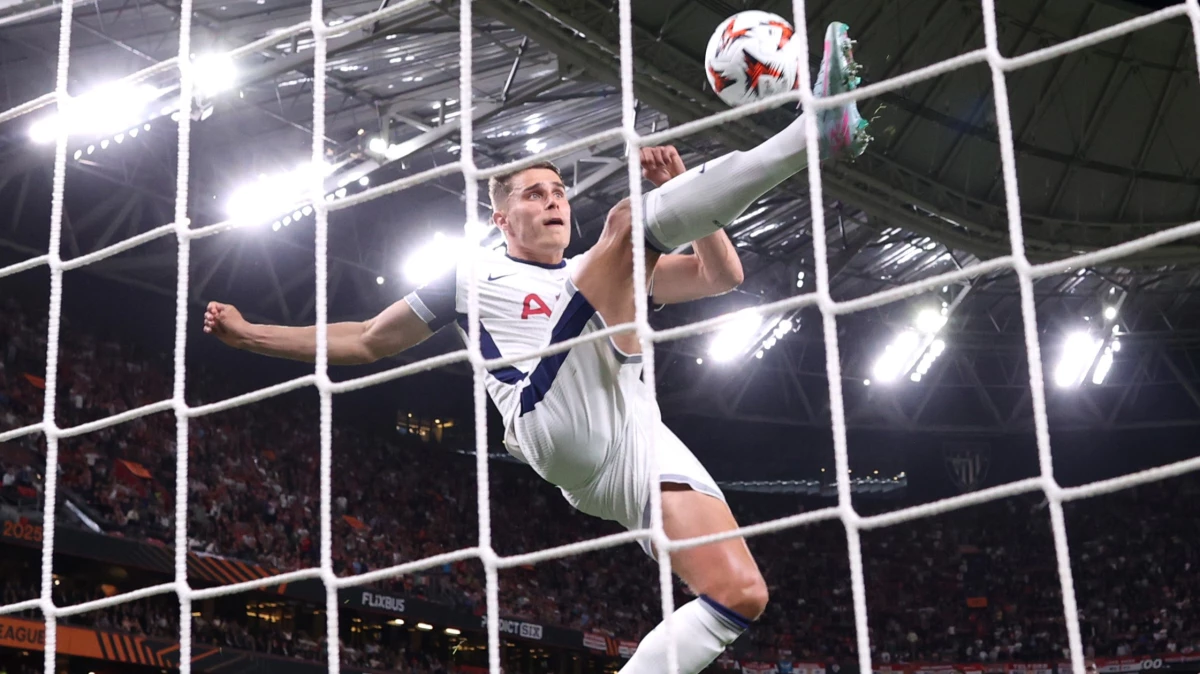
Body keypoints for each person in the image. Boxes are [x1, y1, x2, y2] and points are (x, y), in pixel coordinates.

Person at [203, 21, 868, 674]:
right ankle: (813, 131)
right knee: (627, 229)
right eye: (534, 194)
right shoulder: (475, 274)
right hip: (551, 418)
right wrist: (250, 335)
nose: (554, 202)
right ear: (502, 217)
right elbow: (368, 340)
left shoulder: (600, 270)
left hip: (636, 429)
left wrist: (677, 189)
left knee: (740, 594)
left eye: (557, 192)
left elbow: (721, 276)